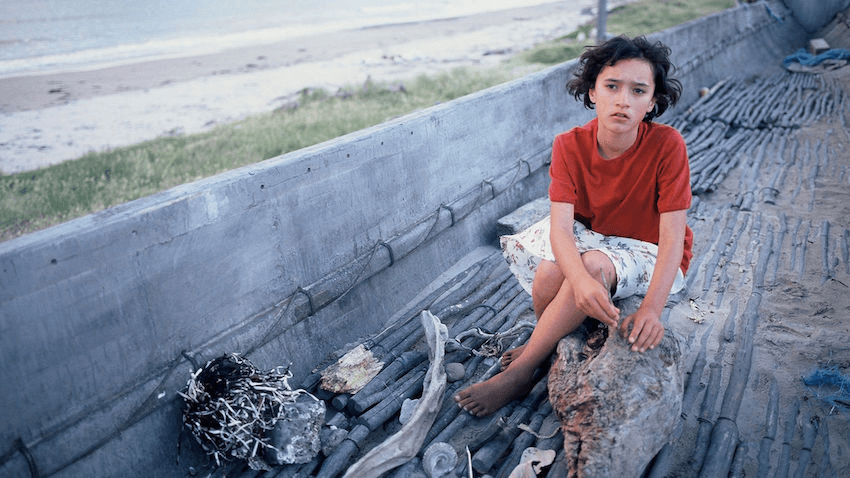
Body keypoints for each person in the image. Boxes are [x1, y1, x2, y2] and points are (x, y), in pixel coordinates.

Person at [454, 35, 693, 417]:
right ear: (593, 91)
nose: (623, 100)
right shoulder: (569, 145)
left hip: (645, 247)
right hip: (593, 235)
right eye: (611, 86)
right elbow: (561, 230)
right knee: (552, 272)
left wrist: (651, 309)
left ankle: (522, 370)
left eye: (638, 91)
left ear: (651, 103)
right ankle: (546, 345)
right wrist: (578, 282)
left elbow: (672, 237)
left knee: (593, 265)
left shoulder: (667, 145)